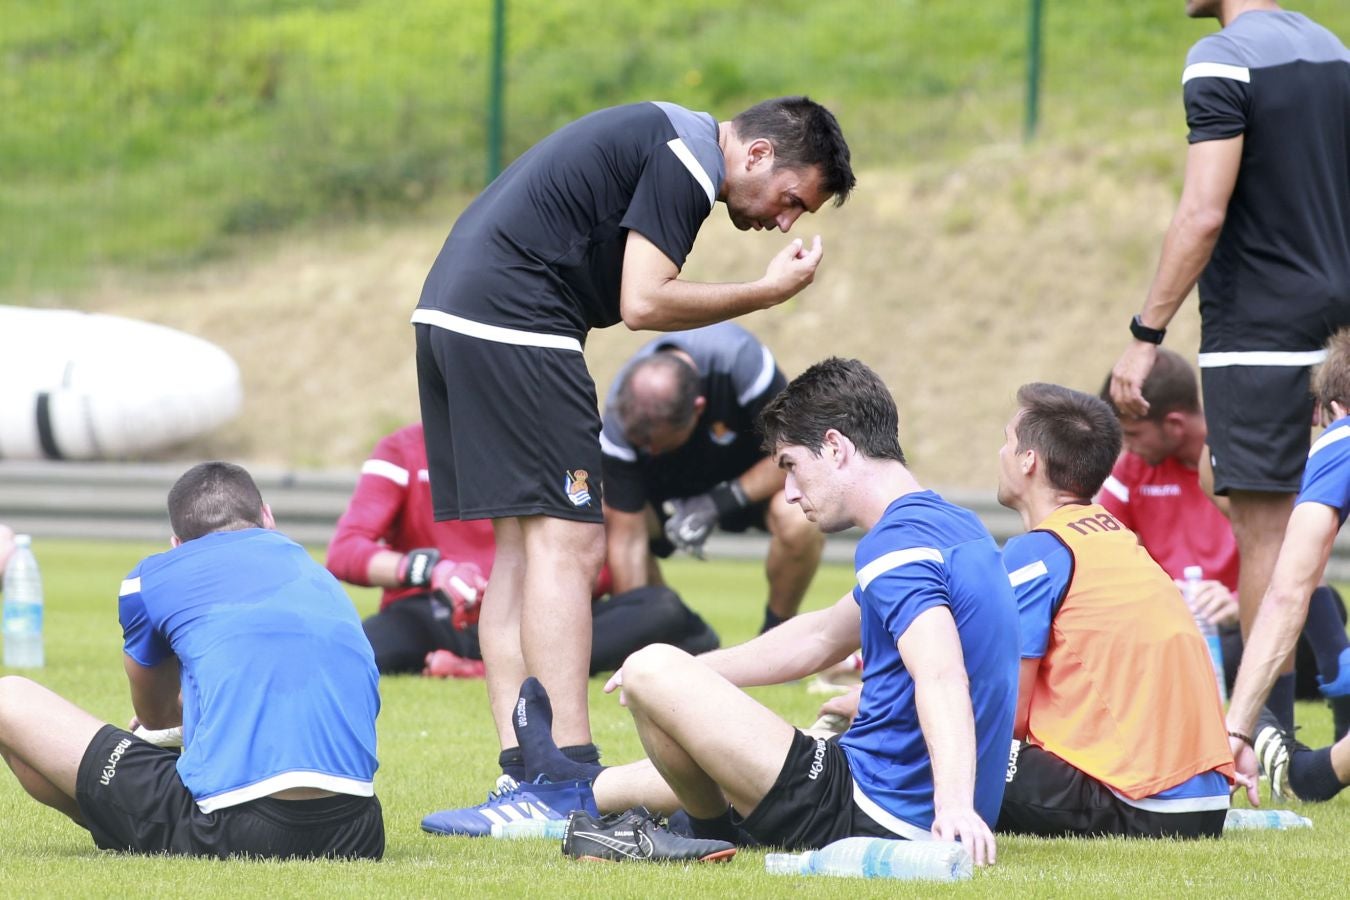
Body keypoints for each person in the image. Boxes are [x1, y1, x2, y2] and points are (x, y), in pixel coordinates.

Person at [412, 96, 855, 787]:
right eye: (792, 199)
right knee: (571, 542)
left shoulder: (663, 133)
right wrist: (766, 294)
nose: (784, 220)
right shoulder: (688, 155)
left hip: (447, 314)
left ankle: (522, 769)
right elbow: (644, 302)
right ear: (759, 154)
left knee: (520, 552)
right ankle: (568, 772)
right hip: (517, 320)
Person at [427, 359, 1017, 865]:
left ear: (835, 448)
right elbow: (817, 638)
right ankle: (562, 789)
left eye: (790, 464)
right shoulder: (945, 524)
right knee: (664, 680)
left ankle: (706, 831)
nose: (787, 491)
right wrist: (692, 681)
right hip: (878, 791)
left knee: (653, 666)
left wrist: (955, 809)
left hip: (871, 811)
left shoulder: (895, 547)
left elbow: (941, 674)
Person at [1108, 2, 1350, 734]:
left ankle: (1263, 743)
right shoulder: (1334, 51)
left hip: (1259, 330)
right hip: (1336, 324)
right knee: (1270, 509)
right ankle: (1329, 704)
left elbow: (1202, 213)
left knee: (1268, 536)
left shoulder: (1222, 57)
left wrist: (1146, 333)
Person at [0, 462, 383, 859]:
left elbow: (156, 717)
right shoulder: (316, 573)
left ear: (176, 544)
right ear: (267, 516)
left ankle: (128, 825)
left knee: (8, 699)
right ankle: (130, 821)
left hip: (236, 825)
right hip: (360, 828)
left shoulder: (148, 580)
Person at [995, 383, 1235, 839]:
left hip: (1140, 802)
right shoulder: (1117, 537)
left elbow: (1008, 715)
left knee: (948, 750)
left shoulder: (1037, 553)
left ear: (1029, 460)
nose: (1001, 452)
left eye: (1007, 440)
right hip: (1205, 801)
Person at [326, 423, 718, 678]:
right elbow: (345, 552)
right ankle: (501, 666)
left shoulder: (555, 455)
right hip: (435, 615)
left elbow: (591, 569)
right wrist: (435, 571)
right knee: (350, 655)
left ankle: (475, 669)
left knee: (662, 609)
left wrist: (545, 585)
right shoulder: (402, 450)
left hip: (539, 619)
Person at [1098, 350, 1350, 718]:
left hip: (1241, 627)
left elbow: (1297, 560)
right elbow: (1098, 549)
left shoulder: (1249, 461)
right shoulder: (1131, 471)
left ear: (1174, 424)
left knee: (1301, 617)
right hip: (1175, 627)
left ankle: (1288, 712)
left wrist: (1236, 603)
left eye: (1133, 434)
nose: (1127, 446)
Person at [600, 322, 823, 633]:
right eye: (641, 445)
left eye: (657, 443)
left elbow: (797, 453)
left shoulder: (741, 363)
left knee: (798, 518)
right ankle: (668, 635)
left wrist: (716, 504)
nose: (649, 450)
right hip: (663, 496)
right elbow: (625, 539)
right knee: (604, 513)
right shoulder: (618, 415)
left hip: (748, 484)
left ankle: (777, 634)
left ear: (698, 409)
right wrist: (633, 635)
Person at [1226, 329, 1350, 806]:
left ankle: (1315, 773)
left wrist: (1239, 725)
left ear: (1331, 410)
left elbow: (1289, 590)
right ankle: (1316, 772)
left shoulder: (1340, 437)